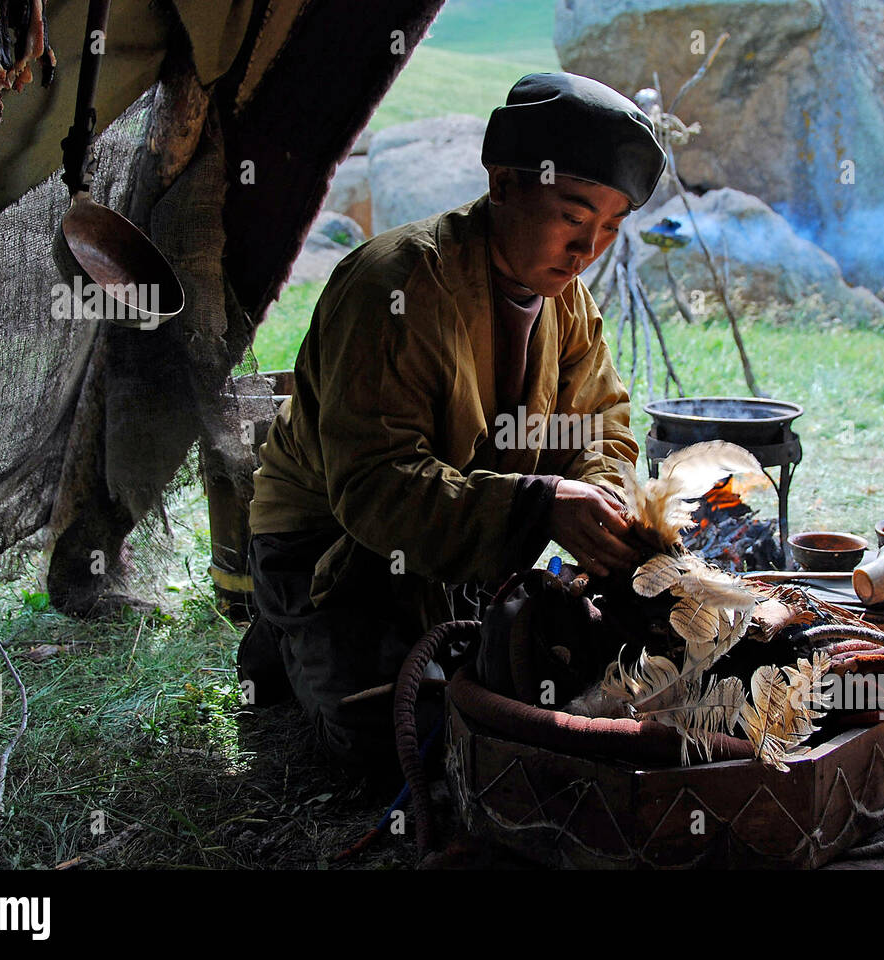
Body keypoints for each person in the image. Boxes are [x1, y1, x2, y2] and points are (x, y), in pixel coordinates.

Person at [239, 72, 667, 770]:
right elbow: (374, 488)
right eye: (573, 215)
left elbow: (601, 426)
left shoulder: (568, 301)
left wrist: (603, 497)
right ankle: (286, 628)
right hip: (332, 546)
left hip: (464, 531)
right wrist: (538, 505)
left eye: (610, 229)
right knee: (401, 739)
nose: (587, 250)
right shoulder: (395, 288)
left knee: (564, 684)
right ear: (502, 184)